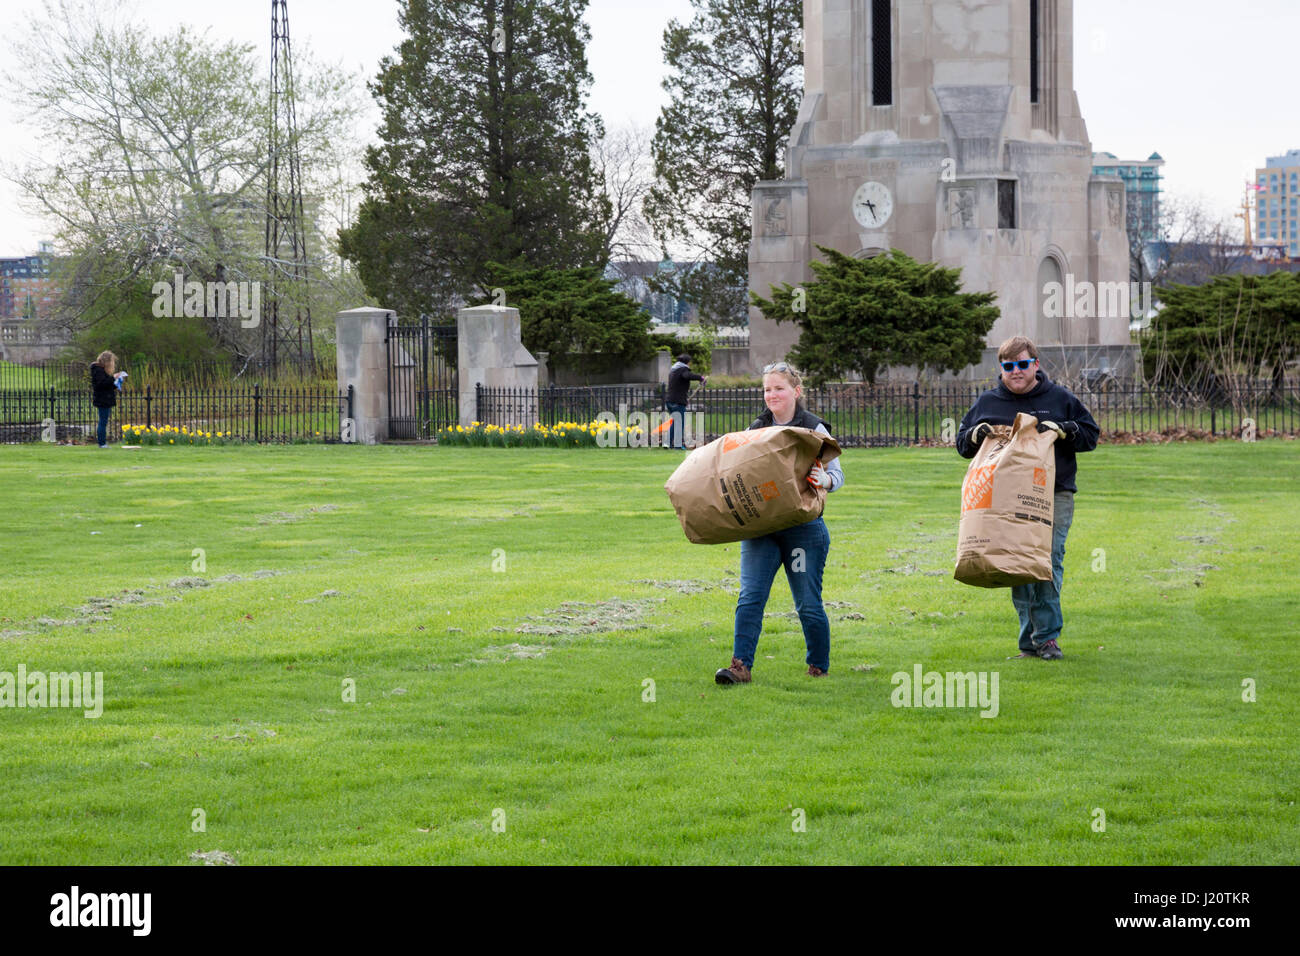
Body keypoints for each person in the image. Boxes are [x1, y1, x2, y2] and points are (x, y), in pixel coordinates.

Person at [955, 336, 1099, 661]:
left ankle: (1046, 638)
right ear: (1001, 369)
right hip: (1006, 499)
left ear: (1035, 364)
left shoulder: (1059, 397)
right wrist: (975, 434)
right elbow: (962, 444)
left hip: (1054, 492)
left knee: (1048, 559)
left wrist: (1064, 429)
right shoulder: (988, 402)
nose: (1016, 372)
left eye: (1022, 364)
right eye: (1008, 366)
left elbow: (1090, 435)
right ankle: (1029, 642)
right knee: (1017, 562)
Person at [715, 362, 845, 684]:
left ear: (796, 392)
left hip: (803, 531)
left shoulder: (814, 429)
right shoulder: (755, 428)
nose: (772, 395)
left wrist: (824, 479)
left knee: (807, 604)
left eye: (779, 388)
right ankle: (740, 667)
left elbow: (838, 476)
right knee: (751, 597)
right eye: (767, 389)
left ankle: (818, 666)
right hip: (761, 528)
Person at [664, 353, 705, 449]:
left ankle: (667, 442)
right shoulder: (683, 369)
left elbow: (678, 386)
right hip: (677, 402)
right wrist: (700, 378)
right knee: (679, 423)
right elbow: (687, 376)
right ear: (687, 362)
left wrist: (684, 399)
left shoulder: (673, 370)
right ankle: (677, 445)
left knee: (676, 421)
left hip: (670, 401)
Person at [89, 350, 124, 449]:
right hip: (102, 399)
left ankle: (102, 443)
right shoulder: (98, 370)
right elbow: (101, 384)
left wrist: (116, 383)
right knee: (102, 422)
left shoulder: (101, 370)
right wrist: (113, 377)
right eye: (112, 361)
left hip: (105, 398)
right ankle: (102, 443)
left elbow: (106, 385)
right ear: (107, 361)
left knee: (103, 421)